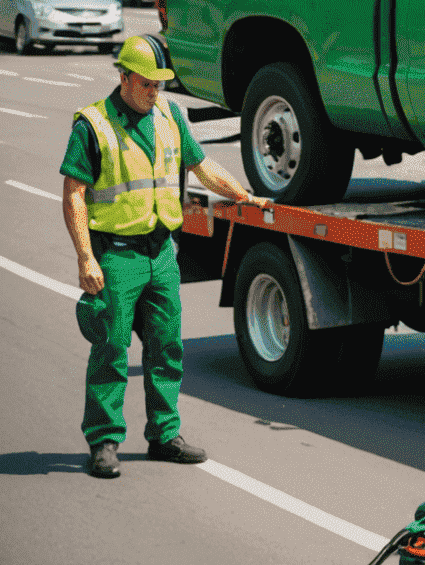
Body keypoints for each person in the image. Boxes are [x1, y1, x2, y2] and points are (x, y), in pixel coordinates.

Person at [61, 35, 272, 478]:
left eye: (159, 84)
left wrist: (242, 194)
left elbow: (200, 165)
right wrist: (85, 258)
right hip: (117, 255)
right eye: (146, 84)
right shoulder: (93, 125)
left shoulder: (170, 116)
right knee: (112, 348)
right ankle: (103, 441)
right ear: (123, 77)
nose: (154, 92)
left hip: (161, 253)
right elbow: (75, 195)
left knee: (166, 347)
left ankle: (164, 435)